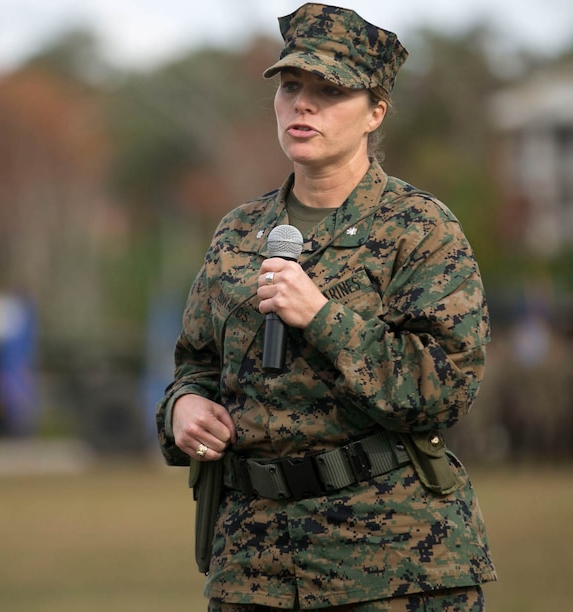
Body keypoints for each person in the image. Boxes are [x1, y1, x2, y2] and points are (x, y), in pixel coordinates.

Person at [155, 4, 497, 610]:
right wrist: (183, 409)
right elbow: (196, 365)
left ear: (375, 112)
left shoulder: (420, 229)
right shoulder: (239, 232)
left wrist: (322, 318)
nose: (303, 106)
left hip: (393, 562)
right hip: (253, 565)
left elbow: (443, 389)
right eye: (291, 87)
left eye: (329, 91)